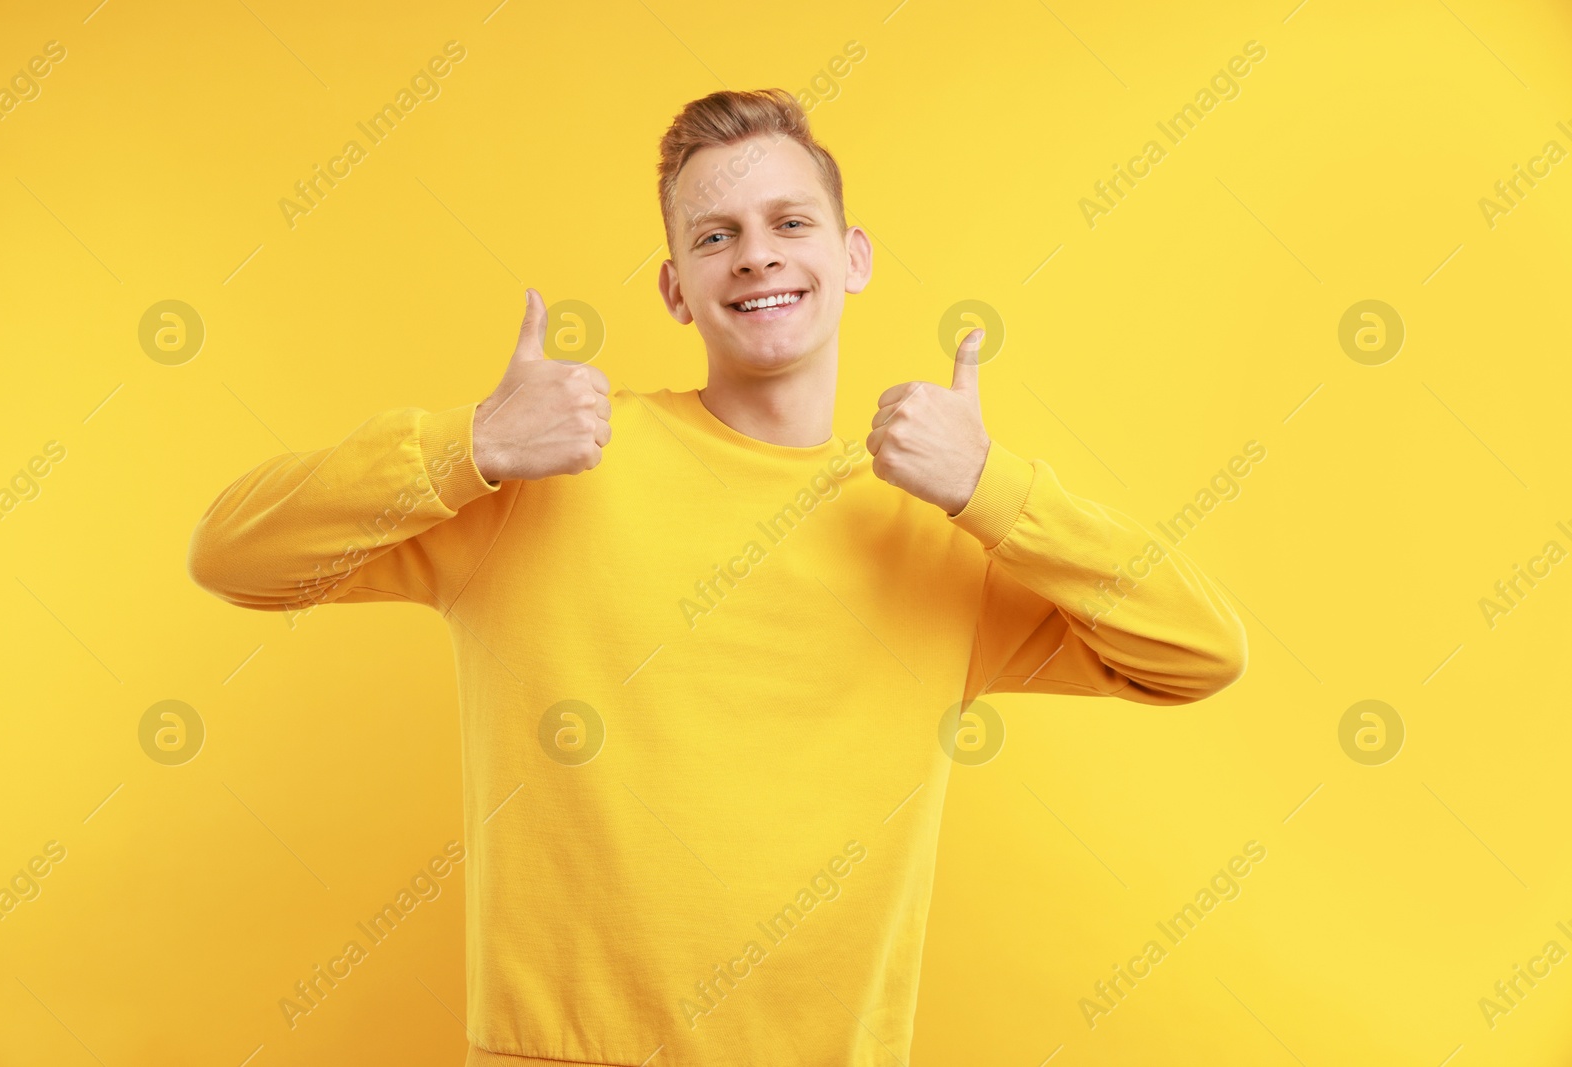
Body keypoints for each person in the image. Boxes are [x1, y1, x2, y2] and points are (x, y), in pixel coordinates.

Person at [188, 87, 1247, 1067]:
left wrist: (993, 485)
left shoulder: (940, 531)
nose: (755, 256)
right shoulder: (550, 473)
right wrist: (471, 444)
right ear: (676, 289)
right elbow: (236, 554)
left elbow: (1197, 650)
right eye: (714, 235)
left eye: (790, 223)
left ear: (855, 256)